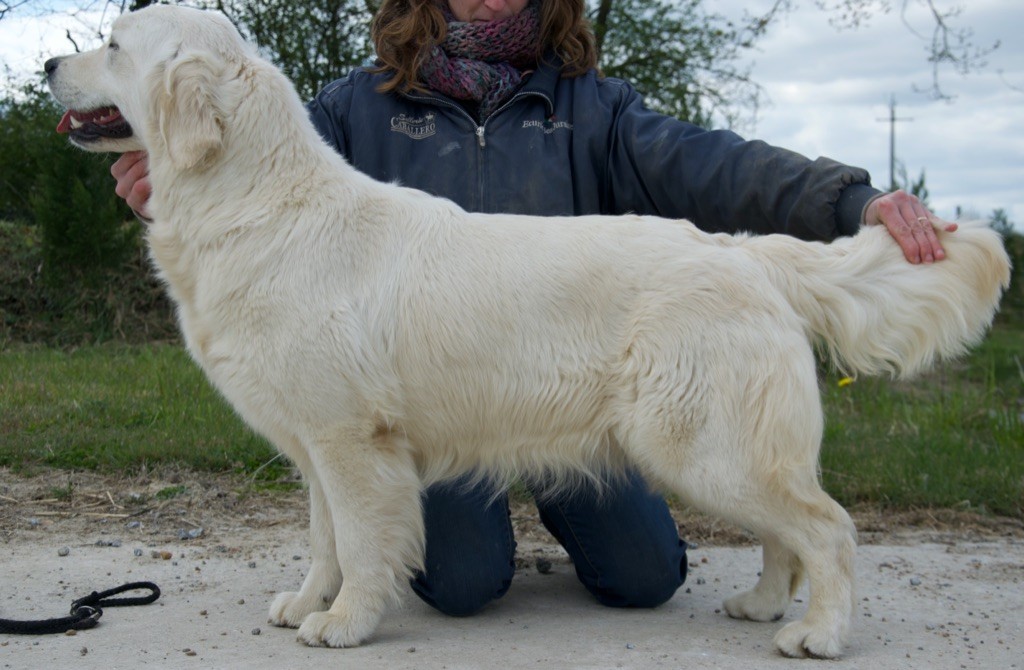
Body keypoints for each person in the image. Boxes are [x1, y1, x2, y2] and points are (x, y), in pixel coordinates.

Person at [111, 0, 954, 618]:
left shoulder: (594, 105)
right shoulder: (347, 109)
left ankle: (808, 563)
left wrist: (853, 202)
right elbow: (236, 166)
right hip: (443, 416)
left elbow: (721, 165)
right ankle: (384, 565)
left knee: (646, 576)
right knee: (462, 585)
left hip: (574, 384)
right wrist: (168, 177)